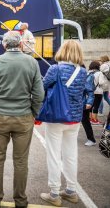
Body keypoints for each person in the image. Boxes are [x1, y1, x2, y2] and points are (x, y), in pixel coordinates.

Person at [0, 31, 44, 208]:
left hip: (0, 117)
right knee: (21, 160)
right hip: (24, 117)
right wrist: (34, 112)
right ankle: (20, 200)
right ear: (21, 44)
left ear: (4, 45)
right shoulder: (31, 62)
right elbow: (39, 93)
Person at [40, 40, 88, 207]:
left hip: (57, 116)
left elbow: (42, 87)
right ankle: (71, 190)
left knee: (53, 155)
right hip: (74, 118)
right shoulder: (82, 71)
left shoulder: (55, 69)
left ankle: (54, 192)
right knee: (70, 154)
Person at [81, 63, 96, 146]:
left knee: (85, 121)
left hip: (83, 104)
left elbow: (90, 92)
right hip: (76, 104)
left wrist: (89, 103)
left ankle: (91, 139)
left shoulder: (86, 78)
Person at [89, 60, 108, 125]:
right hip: (98, 91)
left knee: (91, 106)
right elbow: (101, 82)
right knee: (96, 106)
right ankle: (95, 120)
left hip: (90, 91)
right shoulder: (99, 73)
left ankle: (90, 119)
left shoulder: (88, 72)